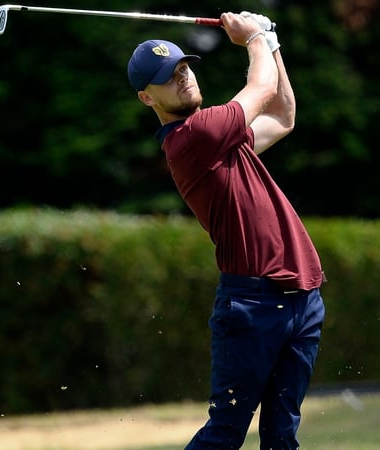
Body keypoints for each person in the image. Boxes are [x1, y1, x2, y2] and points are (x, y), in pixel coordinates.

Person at [126, 12, 326, 449]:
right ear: (147, 98)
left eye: (183, 67)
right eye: (168, 77)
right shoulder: (193, 137)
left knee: (282, 435)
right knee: (226, 433)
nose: (183, 78)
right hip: (253, 304)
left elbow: (283, 115)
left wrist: (271, 43)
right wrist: (255, 36)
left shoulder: (223, 141)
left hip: (302, 295)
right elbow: (262, 89)